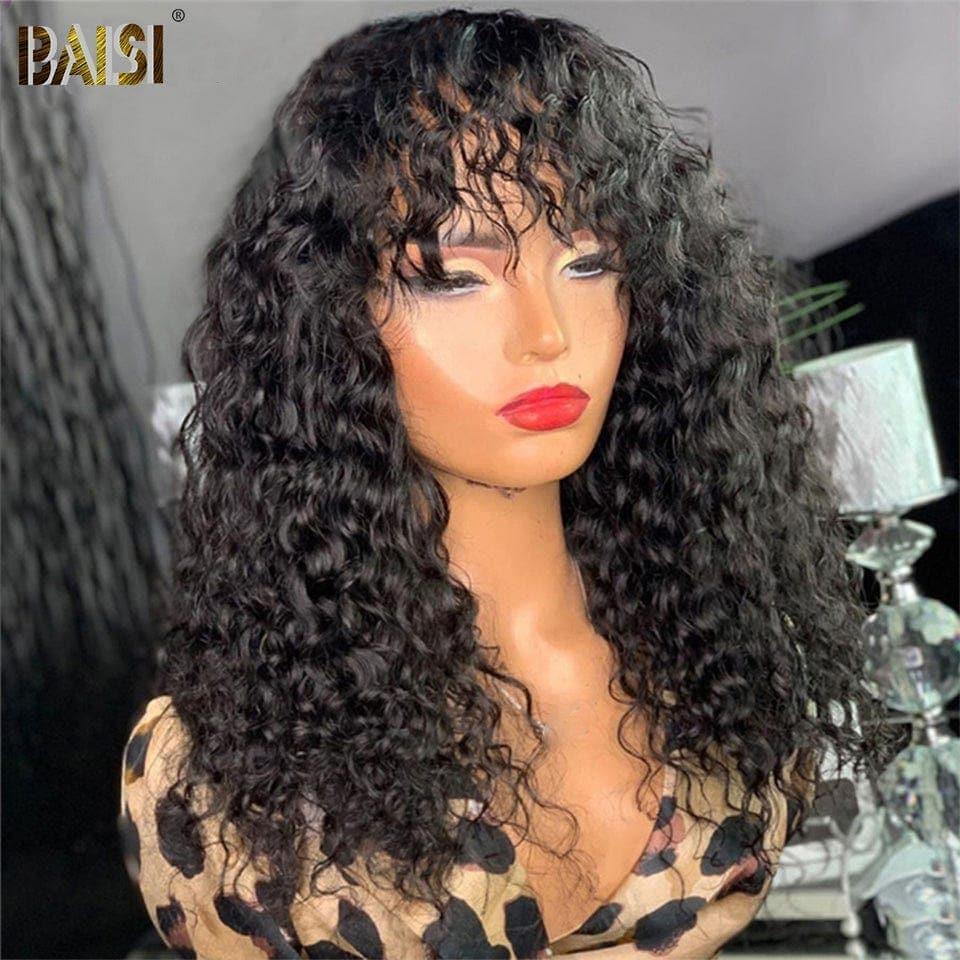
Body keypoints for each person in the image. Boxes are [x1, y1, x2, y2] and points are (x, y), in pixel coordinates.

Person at [119, 8, 899, 958]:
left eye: (590, 262)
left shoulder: (726, 651)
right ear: (326, 321)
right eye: (454, 275)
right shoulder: (219, 780)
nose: (547, 333)